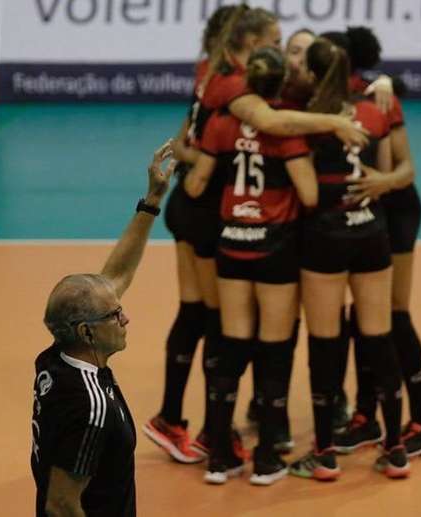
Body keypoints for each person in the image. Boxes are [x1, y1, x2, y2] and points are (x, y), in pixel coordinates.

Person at [185, 46, 318, 486]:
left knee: (231, 344)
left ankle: (220, 455)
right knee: (274, 349)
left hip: (231, 244)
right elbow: (310, 194)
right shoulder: (286, 130)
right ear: (279, 85)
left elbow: (197, 180)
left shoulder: (221, 124)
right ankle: (266, 457)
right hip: (274, 247)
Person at [287, 38, 410, 480]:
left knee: (325, 343)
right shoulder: (375, 109)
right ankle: (395, 448)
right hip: (371, 232)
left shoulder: (302, 119)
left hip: (325, 235)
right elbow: (387, 169)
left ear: (315, 75)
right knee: (378, 339)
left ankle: (324, 453)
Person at [31, 142, 175, 517]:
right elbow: (62, 505)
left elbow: (116, 276)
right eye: (115, 315)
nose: (126, 318)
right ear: (87, 333)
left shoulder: (56, 358)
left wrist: (151, 201)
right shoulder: (91, 406)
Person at [327, 27, 421, 459]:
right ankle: (366, 416)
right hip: (361, 217)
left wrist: (383, 182)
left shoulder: (377, 95)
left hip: (395, 209)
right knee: (363, 320)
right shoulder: (320, 98)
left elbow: (404, 171)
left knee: (394, 315)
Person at [144, 4, 237, 466]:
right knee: (218, 320)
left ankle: (173, 419)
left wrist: (194, 156)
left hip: (189, 208)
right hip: (205, 212)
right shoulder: (231, 89)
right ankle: (215, 431)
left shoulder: (208, 79)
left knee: (195, 313)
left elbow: (181, 142)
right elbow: (190, 149)